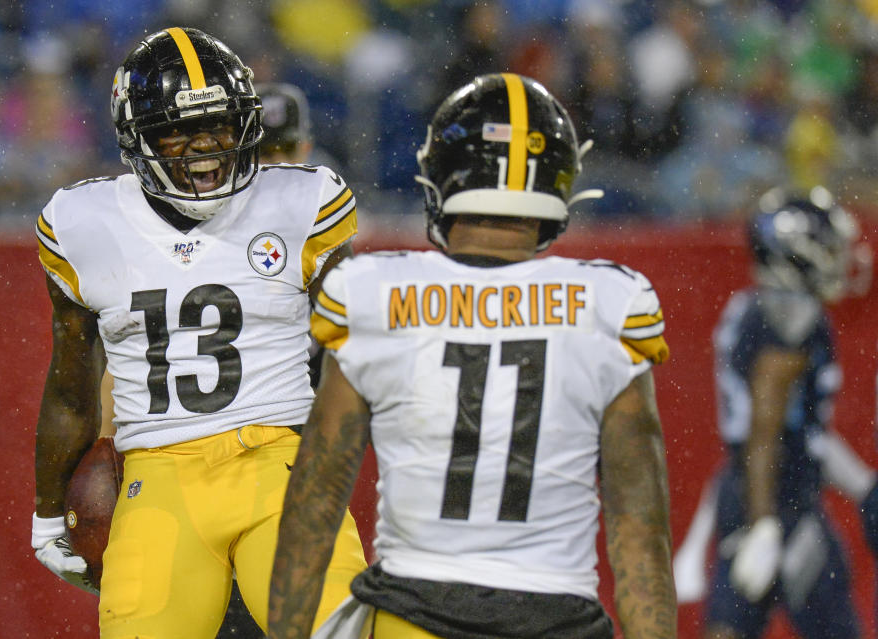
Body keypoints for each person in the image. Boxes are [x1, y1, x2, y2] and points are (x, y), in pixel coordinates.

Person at [268, 72, 677, 639]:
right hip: (556, 622)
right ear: (558, 182)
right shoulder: (609, 303)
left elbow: (316, 500)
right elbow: (639, 530)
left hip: (411, 616)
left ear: (441, 175)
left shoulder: (374, 291)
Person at [29, 27, 367, 638]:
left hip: (281, 464)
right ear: (138, 140)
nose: (204, 146)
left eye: (218, 125)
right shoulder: (84, 225)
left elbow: (366, 357)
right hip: (157, 472)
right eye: (178, 130)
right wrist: (48, 510)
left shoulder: (302, 204)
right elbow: (72, 385)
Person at [700, 186, 869, 639]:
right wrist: (766, 523)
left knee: (729, 629)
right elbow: (767, 422)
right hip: (781, 500)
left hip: (753, 491)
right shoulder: (793, 316)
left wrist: (862, 487)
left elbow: (794, 428)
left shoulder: (751, 305)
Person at [257, 82, 314, 165]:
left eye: (288, 149)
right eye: (264, 151)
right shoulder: (322, 175)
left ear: (306, 149)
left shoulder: (325, 176)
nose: (279, 161)